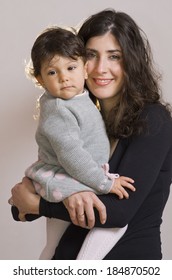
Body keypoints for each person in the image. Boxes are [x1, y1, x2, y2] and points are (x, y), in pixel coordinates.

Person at [10, 8, 172, 260]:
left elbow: (119, 212)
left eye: (114, 56)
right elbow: (22, 205)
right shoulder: (81, 117)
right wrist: (36, 198)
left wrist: (40, 204)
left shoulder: (152, 119)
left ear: (132, 61)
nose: (100, 68)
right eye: (91, 55)